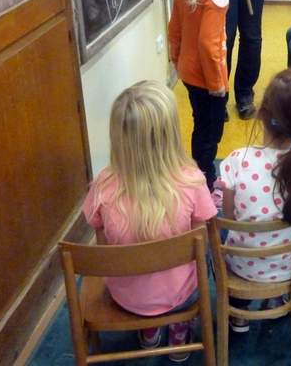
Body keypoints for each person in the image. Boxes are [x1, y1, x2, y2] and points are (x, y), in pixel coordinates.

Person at [82, 81, 217, 362]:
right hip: (180, 295)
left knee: (135, 264)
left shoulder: (103, 186)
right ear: (170, 134)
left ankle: (149, 331)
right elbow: (200, 244)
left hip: (126, 297)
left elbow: (105, 248)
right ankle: (179, 333)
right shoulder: (191, 181)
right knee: (198, 261)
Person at [218, 67, 291, 331]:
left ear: (262, 113)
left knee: (221, 231)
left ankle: (239, 313)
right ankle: (283, 297)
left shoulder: (237, 161)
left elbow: (231, 217)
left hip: (244, 266)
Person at [168, 0, 229, 190]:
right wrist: (217, 84)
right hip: (209, 77)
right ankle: (205, 182)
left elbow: (174, 29)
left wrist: (176, 61)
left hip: (189, 71)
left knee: (199, 123)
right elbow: (208, 44)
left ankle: (201, 173)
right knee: (211, 131)